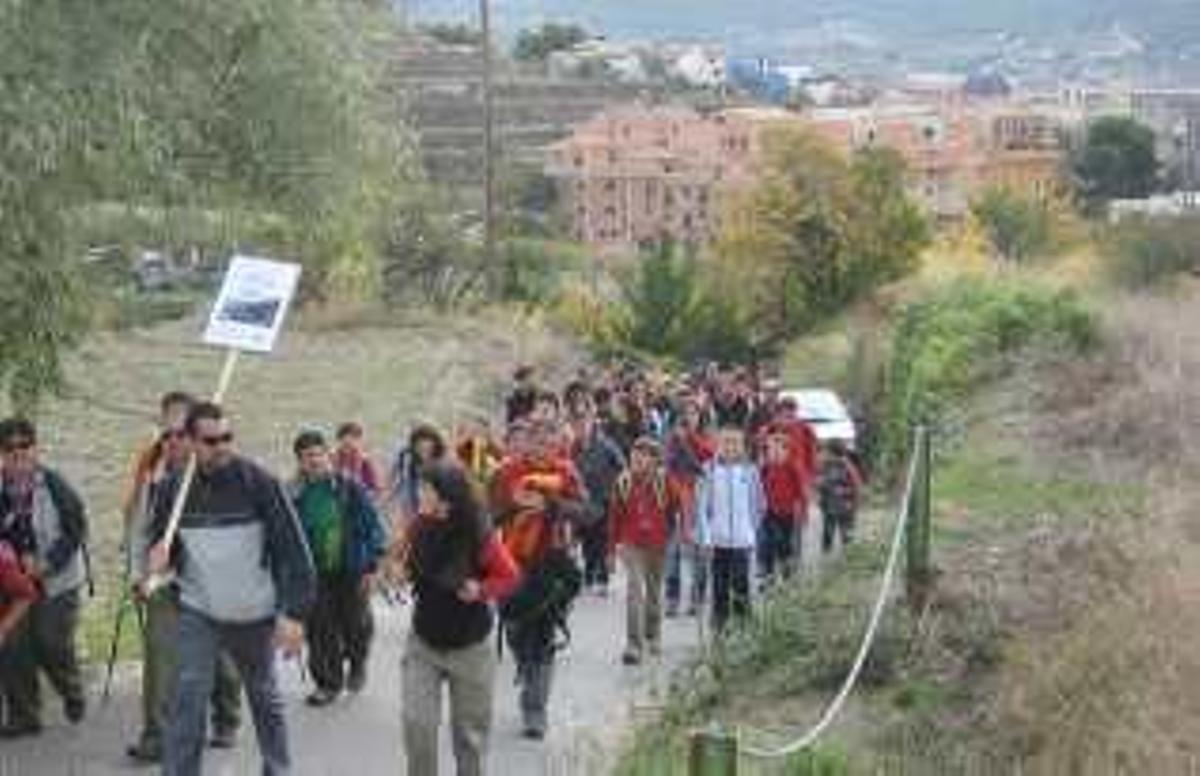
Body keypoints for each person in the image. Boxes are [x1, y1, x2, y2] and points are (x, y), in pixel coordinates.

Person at [145, 402, 315, 776]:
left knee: (264, 698)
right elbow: (163, 550)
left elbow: (295, 552)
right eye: (211, 440)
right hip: (198, 610)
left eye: (227, 437)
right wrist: (158, 560)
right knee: (187, 697)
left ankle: (277, 768)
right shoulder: (172, 490)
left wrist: (294, 614)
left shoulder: (259, 483)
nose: (222, 446)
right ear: (190, 442)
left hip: (253, 613)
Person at [125, 393, 243, 763]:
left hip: (211, 585)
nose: (172, 441)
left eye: (179, 434)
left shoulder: (222, 472)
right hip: (165, 581)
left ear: (194, 435)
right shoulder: (154, 475)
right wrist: (137, 574)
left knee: (220, 658)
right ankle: (156, 736)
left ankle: (226, 716)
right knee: (159, 658)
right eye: (166, 434)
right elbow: (139, 531)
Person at [400, 463, 519, 776]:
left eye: (426, 489)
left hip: (470, 648)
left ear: (446, 497)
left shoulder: (479, 532)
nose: (418, 494)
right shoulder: (420, 524)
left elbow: (510, 577)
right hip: (423, 643)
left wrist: (481, 589)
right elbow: (405, 560)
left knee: (470, 738)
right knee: (417, 725)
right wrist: (395, 572)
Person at [490, 420, 586, 740]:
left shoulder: (566, 473)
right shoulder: (507, 473)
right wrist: (514, 505)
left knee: (543, 639)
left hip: (552, 563)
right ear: (526, 443)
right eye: (537, 441)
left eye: (550, 442)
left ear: (557, 444)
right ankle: (526, 668)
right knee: (517, 632)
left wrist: (553, 504)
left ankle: (535, 710)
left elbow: (589, 511)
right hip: (512, 562)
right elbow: (488, 516)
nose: (543, 447)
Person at [0, 417, 89, 736]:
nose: (17, 453)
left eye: (24, 445)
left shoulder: (54, 484)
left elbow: (76, 530)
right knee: (11, 644)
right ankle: (24, 714)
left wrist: (46, 563)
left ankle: (71, 688)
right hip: (12, 584)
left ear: (36, 448)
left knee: (50, 642)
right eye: (9, 448)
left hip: (56, 581)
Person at [290, 430, 386, 707]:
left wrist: (374, 563)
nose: (315, 460)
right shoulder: (293, 493)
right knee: (320, 627)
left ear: (327, 455)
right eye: (308, 456)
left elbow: (372, 524)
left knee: (356, 624)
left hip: (351, 568)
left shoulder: (349, 487)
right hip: (314, 572)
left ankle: (357, 663)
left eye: (319, 454)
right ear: (299, 461)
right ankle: (327, 683)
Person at [608, 438, 676, 666]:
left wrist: (682, 533)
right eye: (635, 453)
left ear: (654, 459)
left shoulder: (664, 480)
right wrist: (610, 550)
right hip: (631, 544)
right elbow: (614, 517)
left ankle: (653, 634)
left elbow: (679, 505)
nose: (637, 458)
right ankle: (633, 644)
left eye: (644, 454)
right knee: (634, 589)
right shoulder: (623, 482)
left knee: (654, 590)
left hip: (658, 542)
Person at [695, 427, 765, 632]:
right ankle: (719, 625)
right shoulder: (708, 470)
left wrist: (752, 531)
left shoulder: (750, 471)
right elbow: (701, 507)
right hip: (717, 540)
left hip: (743, 540)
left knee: (741, 584)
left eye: (735, 443)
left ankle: (744, 625)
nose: (730, 447)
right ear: (718, 445)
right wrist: (705, 537)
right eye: (726, 442)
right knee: (719, 586)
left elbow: (759, 504)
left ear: (742, 446)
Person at [663, 401, 715, 617]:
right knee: (673, 553)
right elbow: (666, 466)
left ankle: (697, 598)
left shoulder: (705, 437)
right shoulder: (671, 441)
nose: (690, 417)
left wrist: (690, 437)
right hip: (676, 499)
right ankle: (672, 599)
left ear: (700, 417)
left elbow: (709, 455)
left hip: (700, 498)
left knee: (700, 552)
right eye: (686, 413)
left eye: (694, 413)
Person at [569, 409, 625, 597]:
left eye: (583, 423)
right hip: (583, 501)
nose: (580, 428)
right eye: (576, 425)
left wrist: (616, 487)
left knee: (602, 539)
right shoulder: (573, 447)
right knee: (587, 539)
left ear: (591, 423)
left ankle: (602, 578)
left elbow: (622, 466)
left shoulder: (605, 445)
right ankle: (589, 573)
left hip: (604, 498)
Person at [0, 537, 39, 738]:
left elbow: (26, 595)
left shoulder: (2, 560)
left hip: (11, 613)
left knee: (11, 652)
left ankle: (26, 715)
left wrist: (3, 629)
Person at [759, 432, 808, 580]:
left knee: (785, 545)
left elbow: (802, 492)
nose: (772, 453)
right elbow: (759, 489)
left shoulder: (793, 467)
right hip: (769, 511)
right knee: (767, 542)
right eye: (769, 450)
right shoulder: (766, 468)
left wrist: (803, 512)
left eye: (776, 449)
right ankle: (768, 573)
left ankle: (788, 573)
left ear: (786, 451)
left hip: (788, 513)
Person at [390, 425, 448, 534]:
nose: (424, 453)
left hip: (435, 519)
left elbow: (446, 497)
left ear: (435, 446)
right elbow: (396, 483)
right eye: (420, 448)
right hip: (410, 514)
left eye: (428, 449)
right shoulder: (406, 459)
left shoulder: (443, 465)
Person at [819, 441, 863, 554]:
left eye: (826, 451)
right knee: (827, 534)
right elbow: (822, 484)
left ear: (833, 453)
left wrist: (844, 492)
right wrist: (821, 488)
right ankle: (826, 557)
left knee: (847, 535)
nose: (824, 454)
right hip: (829, 506)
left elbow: (857, 486)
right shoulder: (826, 465)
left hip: (845, 507)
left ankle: (848, 556)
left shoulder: (847, 466)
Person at [333, 422, 382, 500]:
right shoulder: (332, 458)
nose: (347, 451)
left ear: (359, 442)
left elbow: (377, 488)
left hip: (362, 499)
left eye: (350, 446)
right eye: (344, 446)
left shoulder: (366, 461)